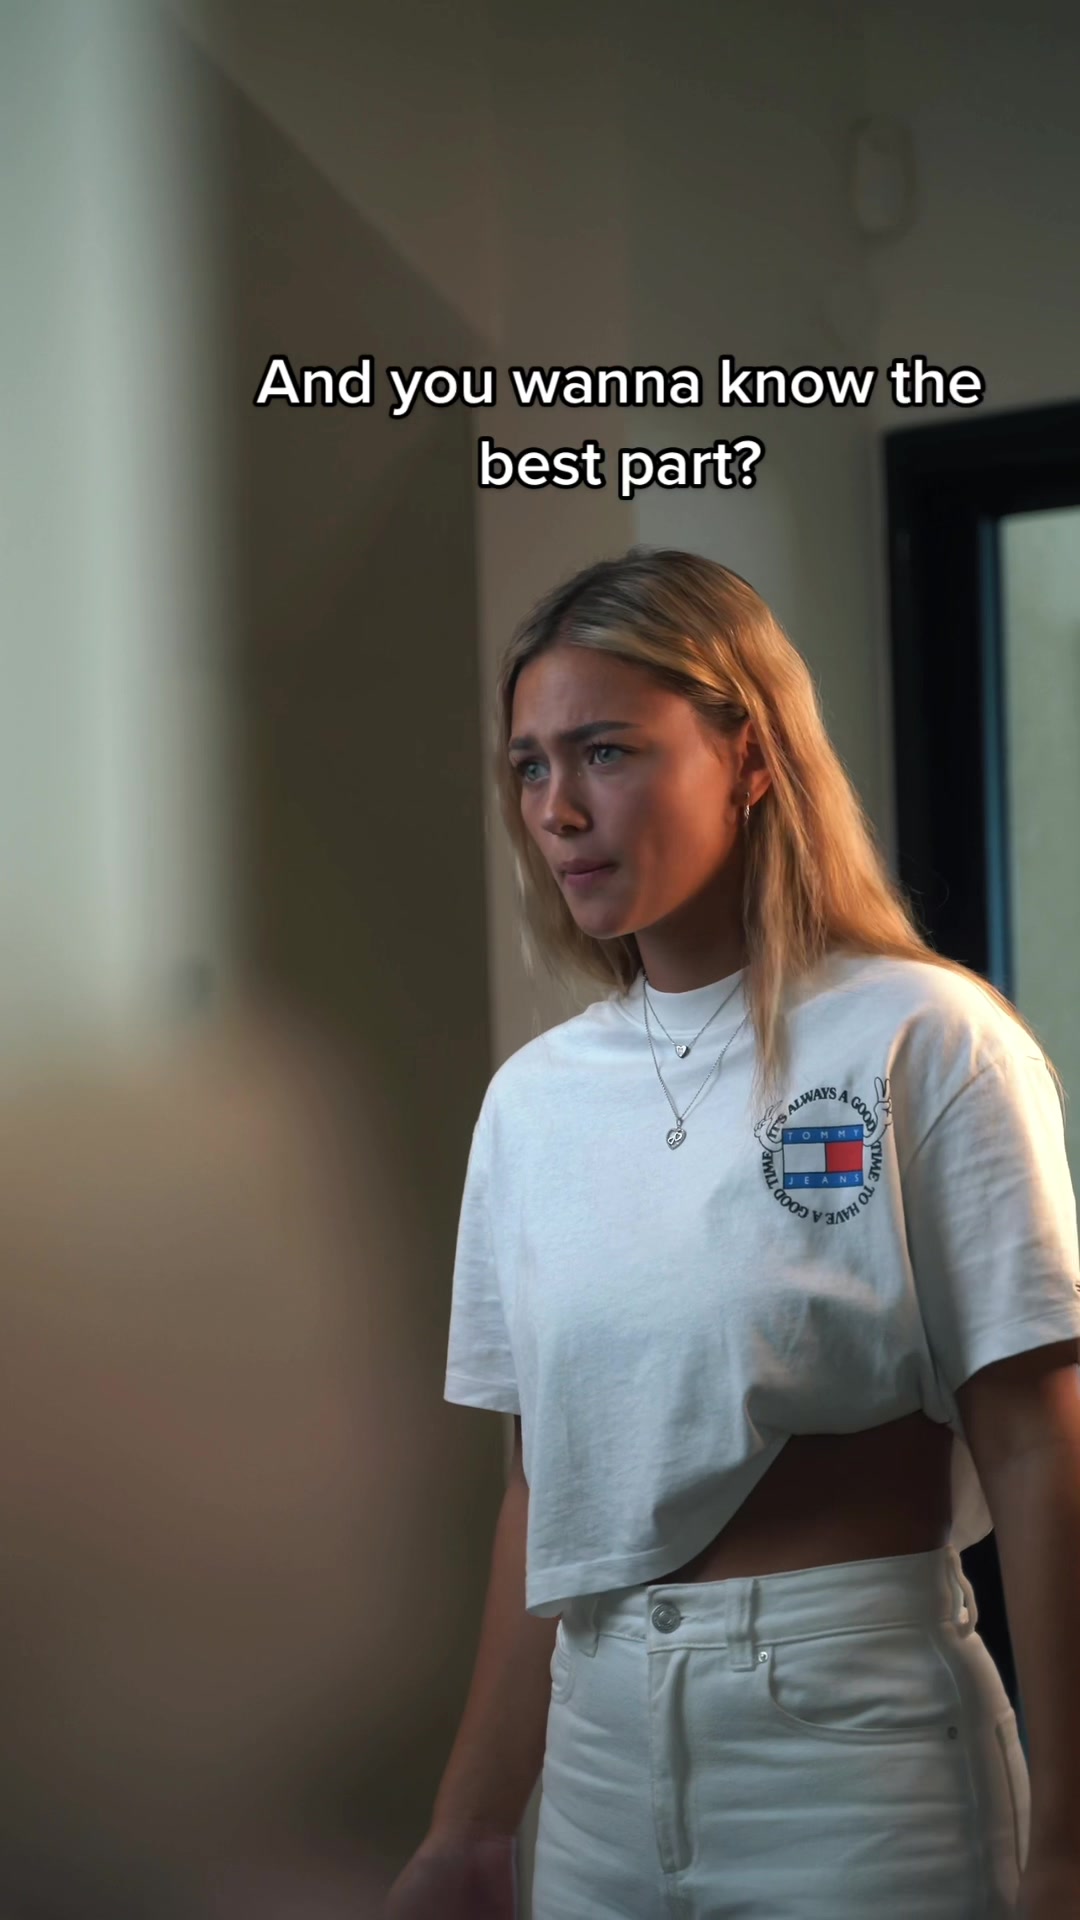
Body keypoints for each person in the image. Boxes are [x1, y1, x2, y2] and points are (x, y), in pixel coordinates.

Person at [386, 546, 1080, 1918]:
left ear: (749, 756)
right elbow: (549, 1493)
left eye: (606, 752)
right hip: (594, 1756)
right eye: (529, 766)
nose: (559, 810)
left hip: (852, 1751)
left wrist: (1068, 1842)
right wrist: (469, 1828)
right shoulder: (532, 1103)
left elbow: (1040, 1446)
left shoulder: (923, 1039)